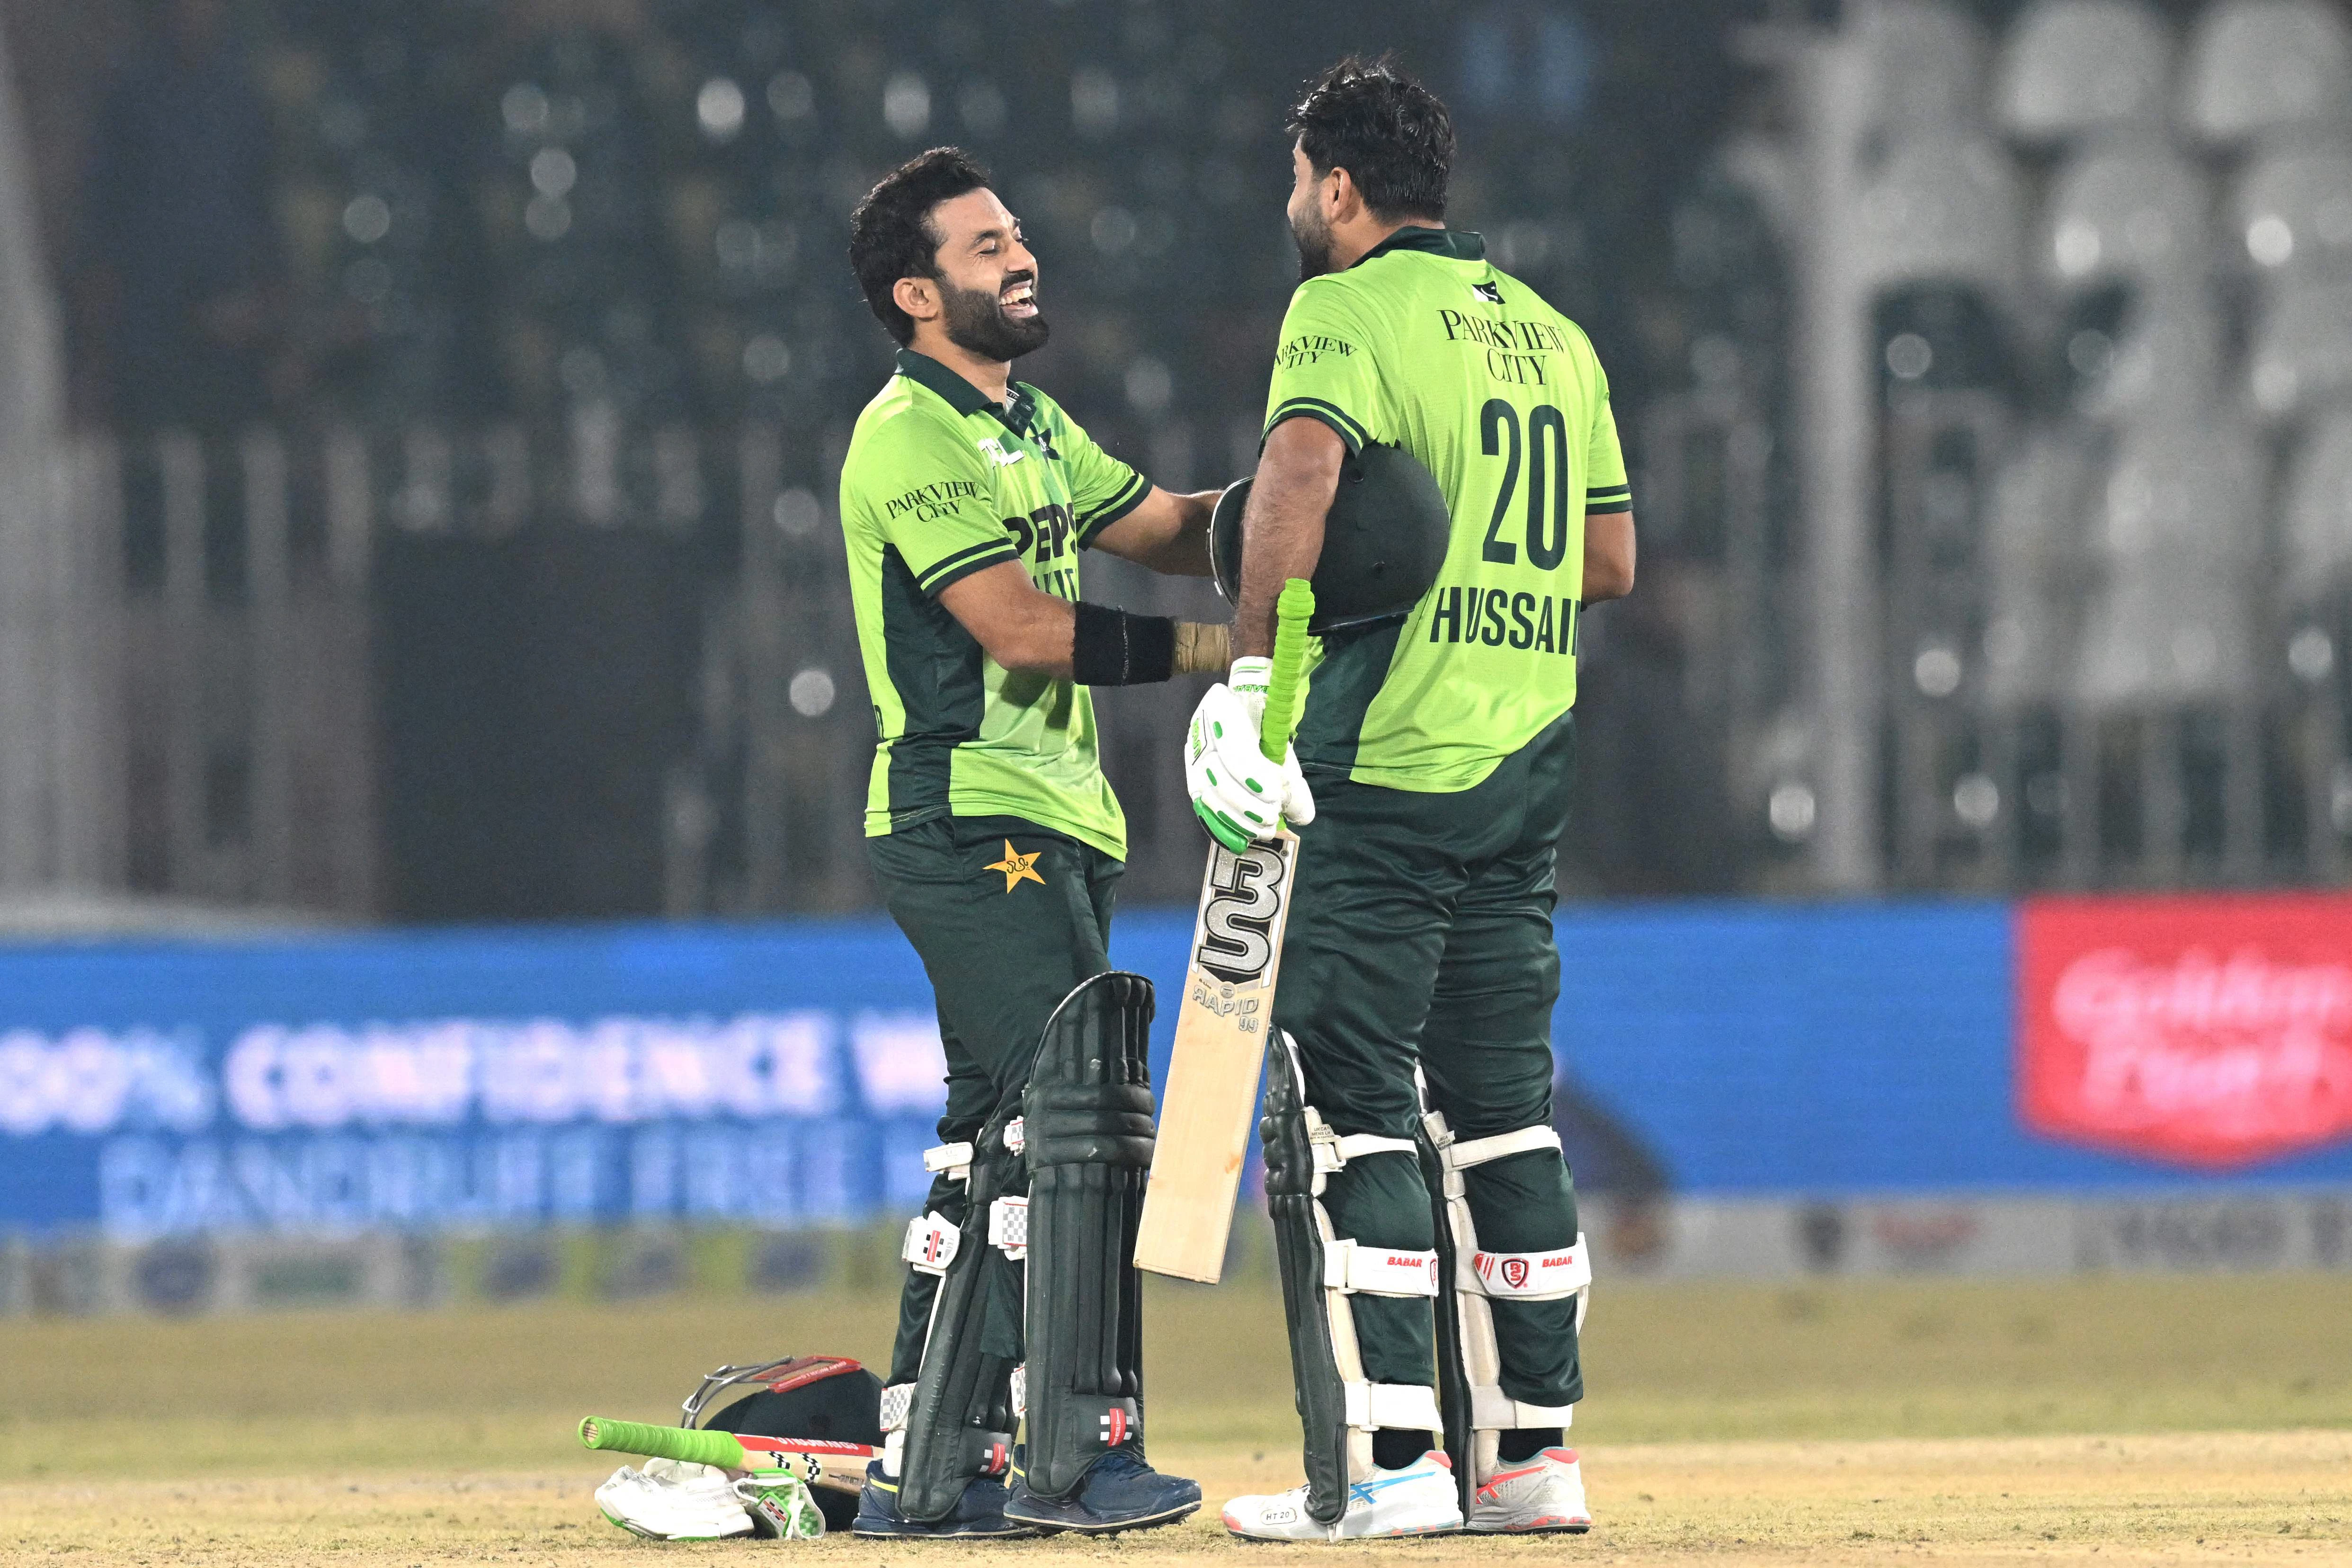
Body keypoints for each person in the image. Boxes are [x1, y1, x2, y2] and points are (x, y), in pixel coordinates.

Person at [1186, 58, 1636, 1541]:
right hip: (1528, 766)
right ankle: (1532, 1466)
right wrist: (1489, 585)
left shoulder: (1342, 311)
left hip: (1387, 767)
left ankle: (1389, 1472)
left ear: (1337, 185)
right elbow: (1613, 562)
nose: (1288, 208)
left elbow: (1298, 480)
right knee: (1507, 1120)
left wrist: (1254, 684)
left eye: (1295, 182)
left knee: (1351, 1112)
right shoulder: (1557, 337)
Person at [836, 147, 1227, 1539]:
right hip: (970, 816)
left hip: (1057, 819)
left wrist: (1311, 507)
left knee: (989, 1139)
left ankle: (928, 1461)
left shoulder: (1033, 424)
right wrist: (1217, 649)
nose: (1023, 253)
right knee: (1073, 1126)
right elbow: (1014, 626)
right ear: (917, 292)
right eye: (988, 242)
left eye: (1019, 230)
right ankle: (1080, 1455)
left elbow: (1171, 527)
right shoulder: (911, 435)